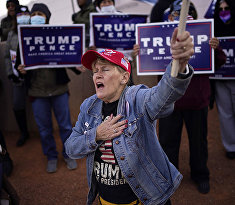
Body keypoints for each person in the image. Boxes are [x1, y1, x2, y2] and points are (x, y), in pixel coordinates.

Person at [65, 26, 194, 204]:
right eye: (95, 71)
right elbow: (71, 148)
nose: (97, 75)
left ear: (124, 78)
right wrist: (96, 135)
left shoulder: (137, 98)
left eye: (105, 69)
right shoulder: (88, 106)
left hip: (146, 198)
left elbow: (163, 96)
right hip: (106, 200)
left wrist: (179, 65)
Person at [157, 0, 226, 195]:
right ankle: (168, 177)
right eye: (177, 14)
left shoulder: (204, 36)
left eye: (186, 13)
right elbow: (153, 65)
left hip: (197, 101)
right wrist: (141, 52)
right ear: (170, 17)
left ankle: (200, 174)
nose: (181, 17)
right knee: (167, 142)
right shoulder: (161, 35)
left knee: (198, 142)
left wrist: (215, 48)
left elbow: (219, 62)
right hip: (169, 101)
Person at [16, 3, 80, 173]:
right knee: (44, 129)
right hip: (36, 93)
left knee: (66, 126)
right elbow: (18, 66)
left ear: (47, 17)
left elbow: (67, 55)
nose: (37, 16)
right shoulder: (24, 38)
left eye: (40, 14)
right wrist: (20, 70)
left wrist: (78, 67)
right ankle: (51, 156)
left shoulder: (57, 34)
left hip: (59, 90)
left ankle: (68, 154)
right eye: (34, 13)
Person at [4, 5, 31, 147]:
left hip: (34, 78)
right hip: (17, 78)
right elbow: (7, 56)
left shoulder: (34, 32)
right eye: (20, 14)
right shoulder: (11, 34)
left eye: (26, 14)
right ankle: (24, 132)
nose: (23, 17)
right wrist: (10, 73)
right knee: (17, 105)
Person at [212, 0, 235, 159]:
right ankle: (231, 146)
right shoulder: (213, 28)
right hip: (220, 78)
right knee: (225, 112)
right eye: (220, 9)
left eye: (227, 9)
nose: (224, 12)